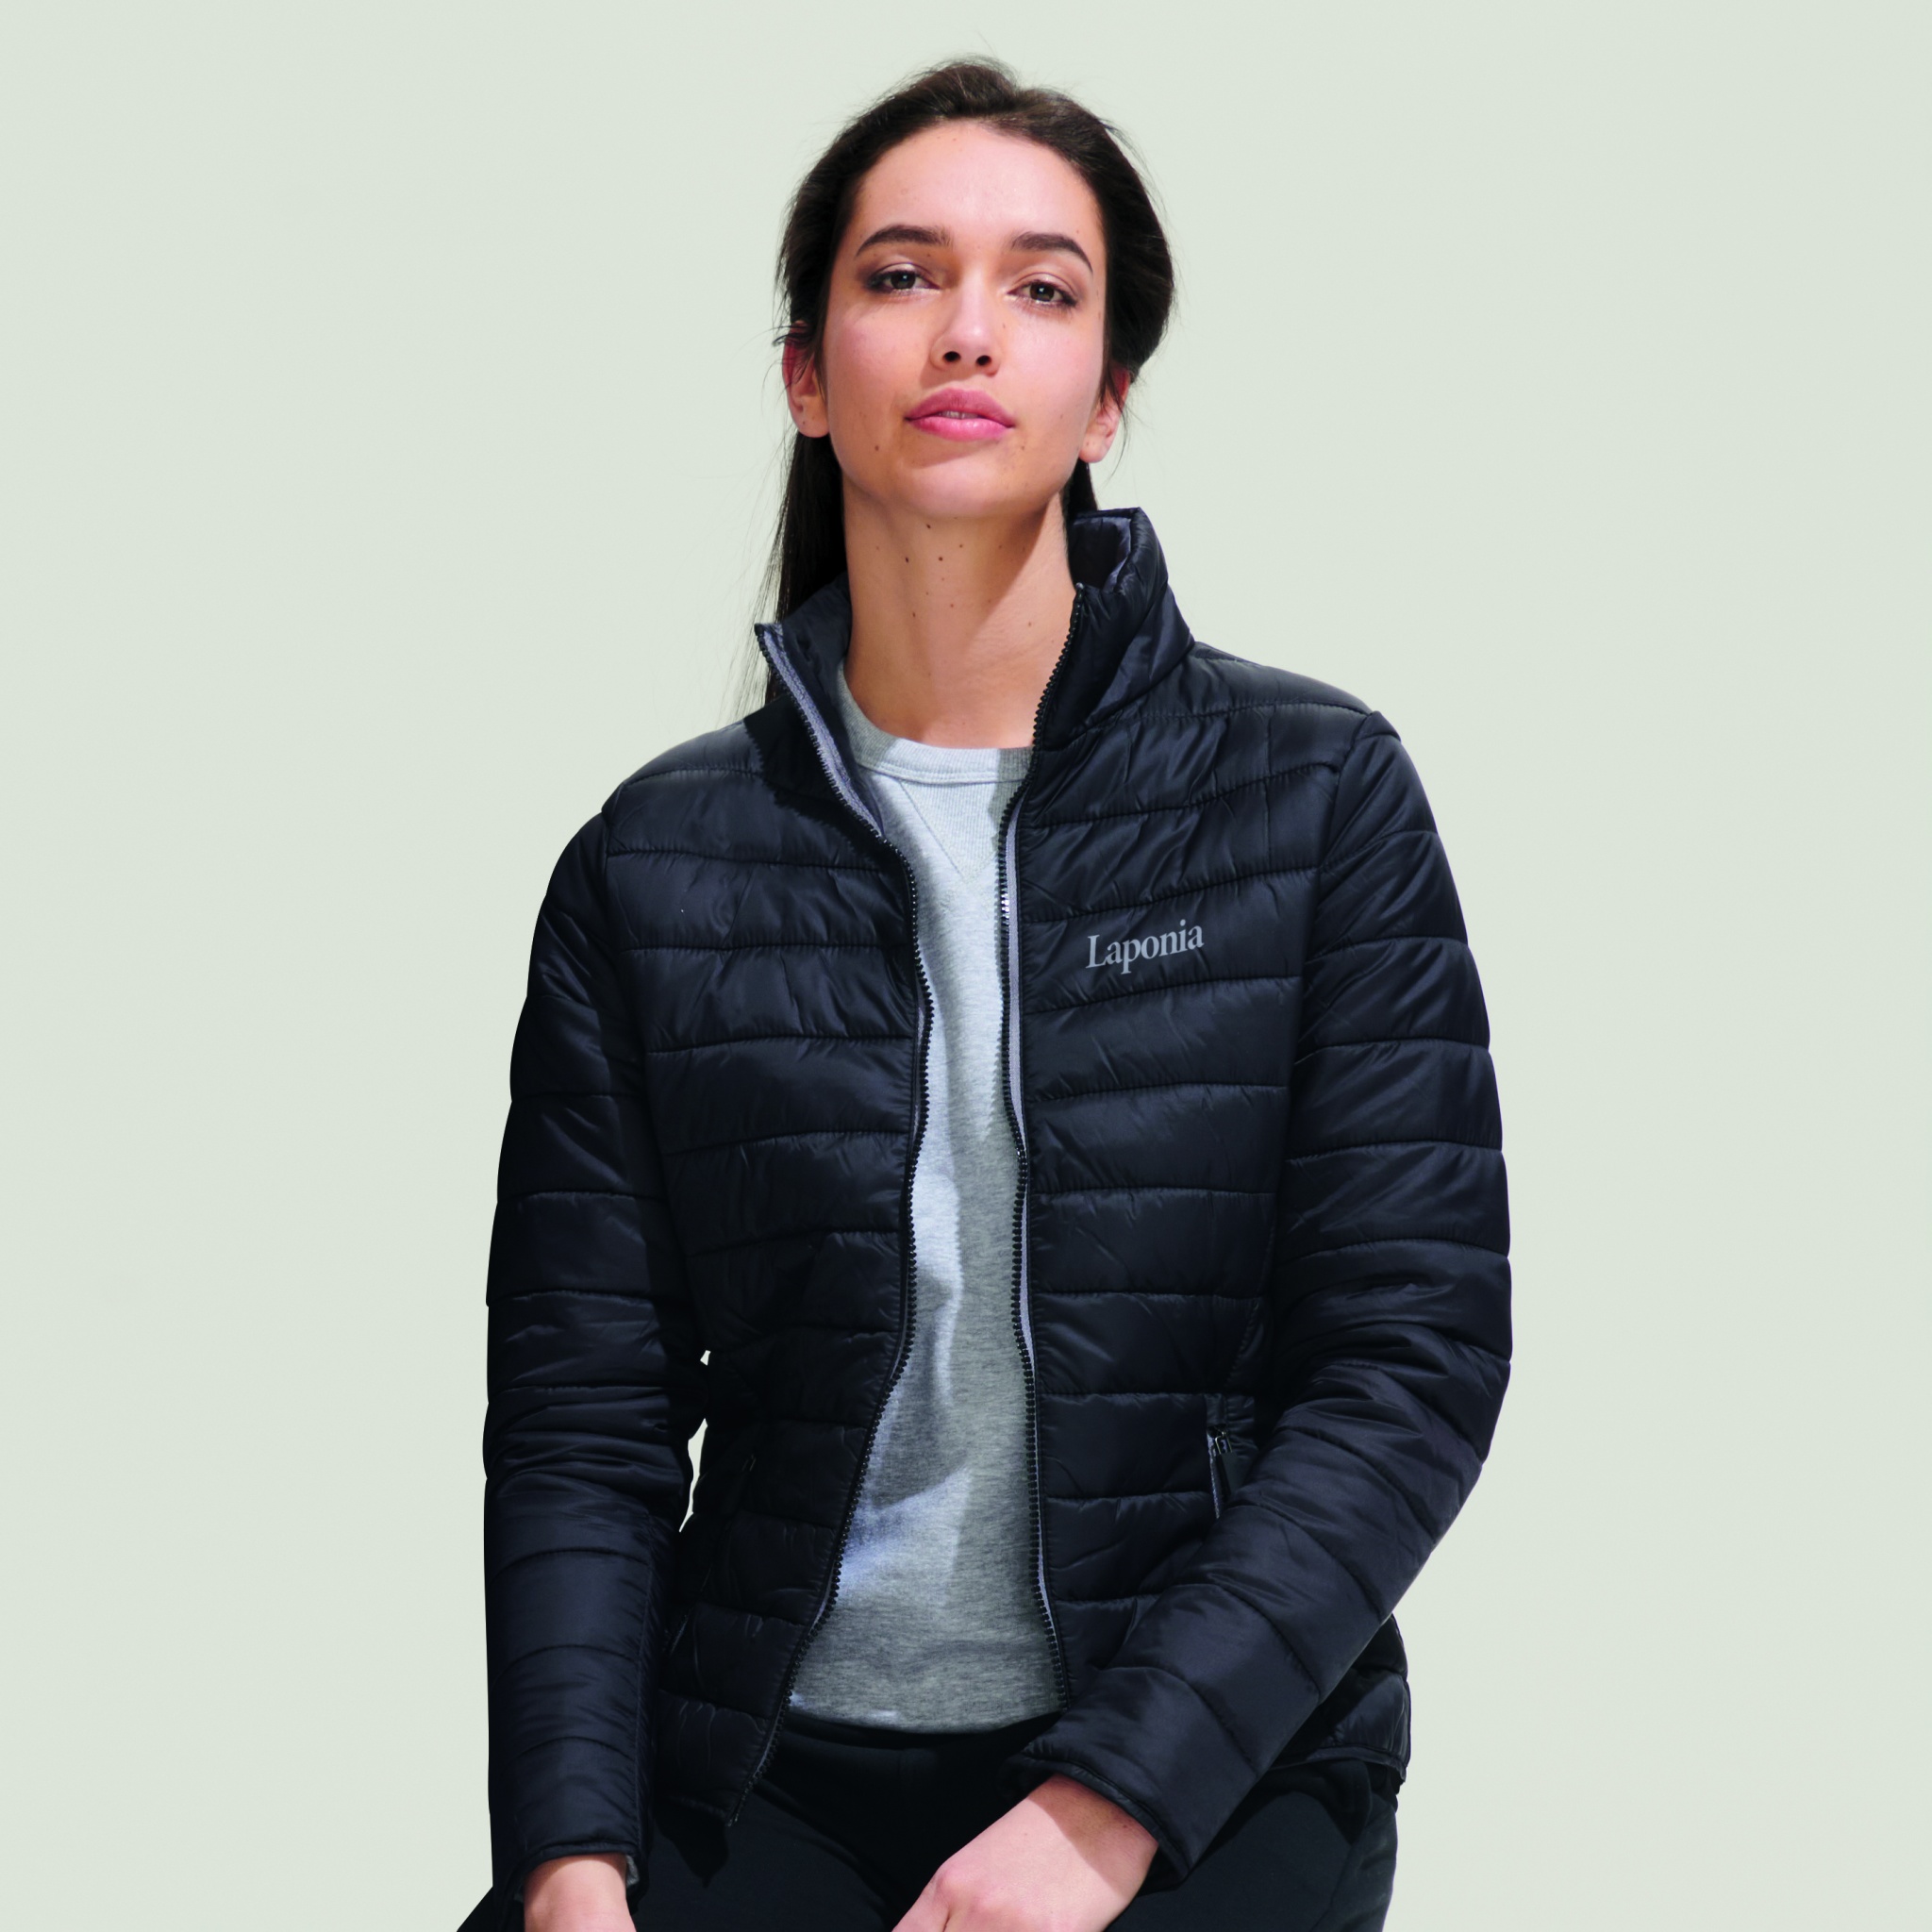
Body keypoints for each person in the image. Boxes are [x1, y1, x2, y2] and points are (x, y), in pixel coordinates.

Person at [461, 59, 1510, 1932]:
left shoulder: (1313, 795)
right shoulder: (654, 865)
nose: (967, 329)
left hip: (1204, 1763)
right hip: (761, 1763)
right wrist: (569, 1860)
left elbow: (1406, 1363)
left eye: (1040, 286)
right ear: (806, 373)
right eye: (900, 275)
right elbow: (582, 1420)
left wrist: (1101, 1808)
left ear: (1107, 395)